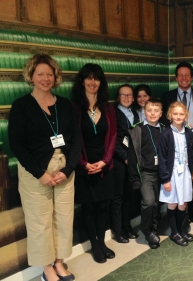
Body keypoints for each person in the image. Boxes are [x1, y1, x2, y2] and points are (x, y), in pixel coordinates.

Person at [8, 53, 80, 281]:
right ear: (31, 75)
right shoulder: (21, 106)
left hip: (64, 169)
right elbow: (16, 144)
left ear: (56, 77)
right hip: (35, 171)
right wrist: (40, 174)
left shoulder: (65, 105)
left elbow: (76, 140)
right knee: (40, 221)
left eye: (50, 74)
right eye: (40, 74)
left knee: (64, 217)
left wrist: (67, 170)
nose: (46, 78)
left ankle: (59, 262)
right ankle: (47, 267)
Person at [72, 63, 117, 264]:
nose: (92, 82)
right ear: (82, 81)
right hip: (84, 167)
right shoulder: (74, 108)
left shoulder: (108, 108)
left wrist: (105, 161)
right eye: (88, 78)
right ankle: (94, 245)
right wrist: (83, 163)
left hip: (103, 166)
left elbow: (113, 135)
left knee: (102, 206)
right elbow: (73, 139)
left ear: (101, 82)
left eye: (96, 78)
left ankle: (102, 241)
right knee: (88, 207)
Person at [161, 61, 193, 226]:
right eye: (180, 75)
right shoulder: (167, 97)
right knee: (176, 184)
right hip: (176, 141)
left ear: (192, 77)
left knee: (192, 180)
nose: (183, 78)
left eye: (187, 75)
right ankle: (179, 222)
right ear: (176, 78)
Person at [127, 99, 165, 249]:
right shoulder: (138, 129)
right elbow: (132, 156)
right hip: (145, 173)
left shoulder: (164, 128)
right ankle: (146, 230)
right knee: (148, 202)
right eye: (150, 111)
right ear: (144, 112)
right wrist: (134, 177)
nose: (153, 114)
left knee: (156, 203)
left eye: (156, 111)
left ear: (161, 113)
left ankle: (153, 229)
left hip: (161, 173)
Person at [159, 102, 193, 246]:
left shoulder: (188, 133)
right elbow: (161, 158)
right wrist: (165, 179)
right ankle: (174, 233)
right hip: (171, 174)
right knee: (173, 203)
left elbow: (192, 154)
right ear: (170, 115)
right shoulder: (166, 134)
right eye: (175, 114)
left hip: (185, 172)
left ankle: (181, 229)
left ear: (186, 116)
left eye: (181, 114)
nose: (178, 117)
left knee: (183, 204)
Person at [110, 84, 139, 244]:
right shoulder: (113, 112)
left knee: (129, 195)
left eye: (129, 95)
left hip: (131, 160)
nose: (127, 97)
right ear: (118, 97)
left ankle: (127, 227)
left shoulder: (134, 113)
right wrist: (124, 157)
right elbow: (113, 138)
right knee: (118, 196)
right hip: (118, 161)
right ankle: (118, 230)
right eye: (123, 95)